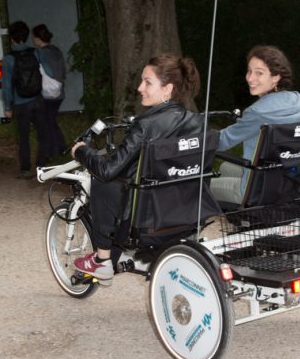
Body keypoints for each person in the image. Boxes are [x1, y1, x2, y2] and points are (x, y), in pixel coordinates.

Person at [70, 53, 204, 285]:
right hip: (186, 210)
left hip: (148, 216)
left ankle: (102, 259)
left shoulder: (146, 124)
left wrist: (82, 151)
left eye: (147, 82)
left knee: (102, 181)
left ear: (167, 89)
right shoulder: (195, 121)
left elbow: (108, 170)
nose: (140, 87)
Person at [212, 45, 300, 203]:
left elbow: (221, 142)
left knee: (203, 185)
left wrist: (195, 137)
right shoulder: (299, 101)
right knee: (224, 168)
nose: (250, 78)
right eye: (249, 71)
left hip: (255, 192)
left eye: (259, 73)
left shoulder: (257, 113)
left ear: (276, 76)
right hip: (288, 180)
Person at [1, 21, 50, 179]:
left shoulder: (8, 59)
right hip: (38, 99)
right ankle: (42, 168)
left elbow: (6, 86)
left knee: (24, 137)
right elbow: (46, 73)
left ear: (12, 38)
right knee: (42, 134)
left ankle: (26, 169)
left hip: (21, 103)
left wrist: (7, 106)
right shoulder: (36, 53)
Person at [32, 23, 67, 156]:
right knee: (51, 121)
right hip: (59, 92)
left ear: (37, 38)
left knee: (48, 122)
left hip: (46, 94)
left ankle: (57, 149)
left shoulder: (40, 53)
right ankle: (60, 148)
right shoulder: (56, 50)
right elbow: (62, 70)